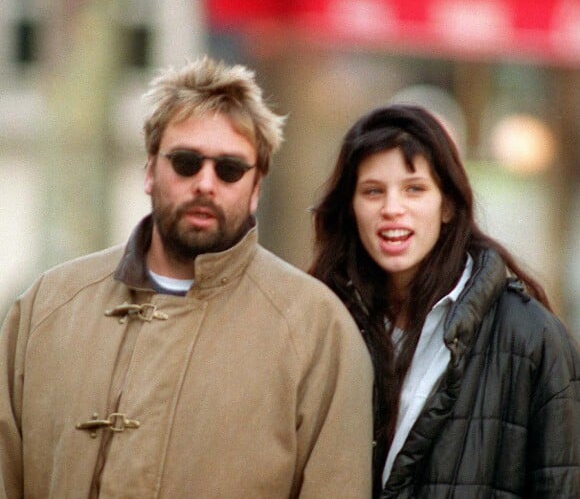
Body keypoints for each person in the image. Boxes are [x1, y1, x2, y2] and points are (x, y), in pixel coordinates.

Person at [0, 56, 374, 499]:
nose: (206, 183)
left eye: (230, 169)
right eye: (185, 162)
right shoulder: (48, 307)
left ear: (255, 189)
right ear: (149, 170)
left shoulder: (316, 331)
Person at [309, 104, 580, 498]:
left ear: (448, 205)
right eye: (372, 191)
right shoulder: (324, 323)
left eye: (414, 189)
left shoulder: (532, 338)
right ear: (351, 209)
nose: (391, 209)